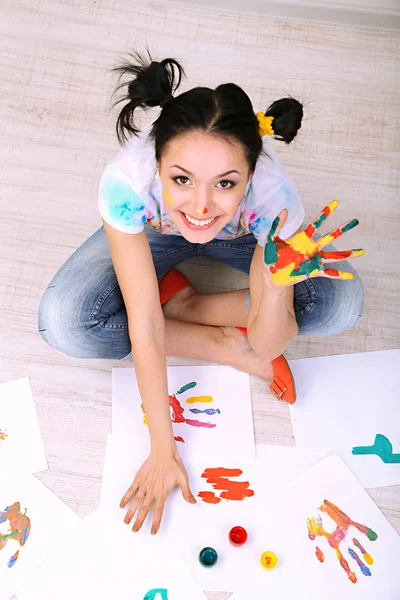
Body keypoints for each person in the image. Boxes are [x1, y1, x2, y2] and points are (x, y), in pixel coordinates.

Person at [38, 50, 365, 535]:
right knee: (64, 323)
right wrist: (162, 448)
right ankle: (216, 340)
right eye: (181, 179)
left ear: (250, 175)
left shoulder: (274, 201)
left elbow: (270, 344)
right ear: (157, 163)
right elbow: (145, 323)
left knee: (341, 303)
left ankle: (190, 303)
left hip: (242, 238)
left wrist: (276, 288)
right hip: (152, 230)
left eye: (226, 183)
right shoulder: (128, 183)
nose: (201, 203)